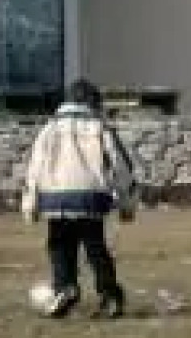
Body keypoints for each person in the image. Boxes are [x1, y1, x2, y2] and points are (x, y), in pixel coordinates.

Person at [21, 79, 137, 319]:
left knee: (60, 245)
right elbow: (121, 167)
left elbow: (35, 168)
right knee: (96, 247)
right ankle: (110, 296)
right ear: (92, 102)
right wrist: (127, 204)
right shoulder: (100, 128)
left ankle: (65, 287)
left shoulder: (49, 129)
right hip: (91, 195)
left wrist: (30, 204)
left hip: (55, 196)